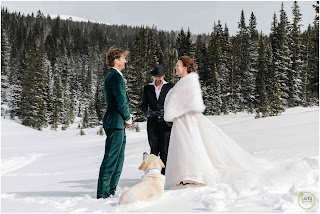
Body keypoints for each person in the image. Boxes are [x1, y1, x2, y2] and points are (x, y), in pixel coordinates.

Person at [164, 56, 258, 187]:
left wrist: (175, 110)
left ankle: (194, 175)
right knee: (183, 147)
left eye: (178, 65)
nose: (175, 67)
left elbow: (190, 102)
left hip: (187, 119)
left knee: (191, 146)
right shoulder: (183, 83)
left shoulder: (188, 82)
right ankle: (185, 174)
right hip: (181, 119)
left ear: (185, 67)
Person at [97, 47, 133, 199]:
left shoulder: (115, 76)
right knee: (111, 158)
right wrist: (128, 117)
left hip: (117, 123)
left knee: (119, 158)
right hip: (115, 121)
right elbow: (121, 101)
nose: (126, 60)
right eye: (123, 58)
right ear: (116, 60)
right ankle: (103, 192)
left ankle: (111, 189)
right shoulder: (115, 77)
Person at [141, 65, 174, 175]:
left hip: (166, 124)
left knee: (165, 150)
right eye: (156, 76)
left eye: (160, 76)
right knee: (154, 150)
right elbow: (143, 105)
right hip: (152, 124)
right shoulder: (148, 88)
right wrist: (148, 113)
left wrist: (167, 112)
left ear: (163, 76)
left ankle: (165, 175)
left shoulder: (170, 87)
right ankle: (154, 174)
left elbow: (174, 104)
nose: (158, 79)